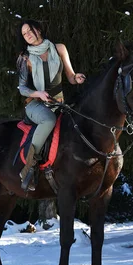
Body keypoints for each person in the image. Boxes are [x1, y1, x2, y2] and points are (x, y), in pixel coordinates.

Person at [16, 19, 86, 191]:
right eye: (24, 34)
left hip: (59, 103)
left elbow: (70, 76)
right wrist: (38, 93)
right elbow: (22, 88)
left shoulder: (59, 48)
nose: (28, 35)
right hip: (36, 104)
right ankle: (29, 169)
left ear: (38, 29)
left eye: (29, 30)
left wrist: (76, 78)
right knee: (48, 120)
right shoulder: (25, 58)